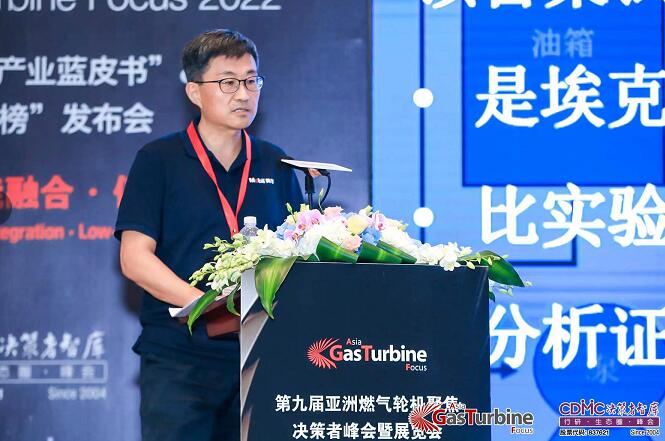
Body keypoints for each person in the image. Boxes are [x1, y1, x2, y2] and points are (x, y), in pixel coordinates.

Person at [114, 29, 304, 441]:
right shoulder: (158, 160)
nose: (243, 94)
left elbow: (298, 255)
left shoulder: (276, 163)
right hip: (180, 358)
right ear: (194, 92)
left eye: (252, 80)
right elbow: (134, 257)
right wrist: (208, 307)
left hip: (260, 357)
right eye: (228, 82)